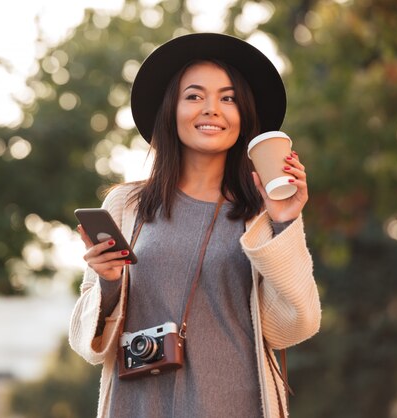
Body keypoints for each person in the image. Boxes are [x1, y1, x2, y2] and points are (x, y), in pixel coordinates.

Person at [69, 33, 321, 418]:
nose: (211, 109)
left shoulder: (260, 214)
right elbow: (89, 342)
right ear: (171, 110)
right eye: (194, 96)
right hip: (137, 405)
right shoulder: (126, 206)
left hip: (235, 405)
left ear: (244, 115)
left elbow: (293, 326)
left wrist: (285, 222)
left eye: (228, 97)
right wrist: (108, 281)